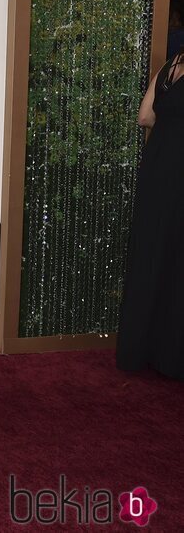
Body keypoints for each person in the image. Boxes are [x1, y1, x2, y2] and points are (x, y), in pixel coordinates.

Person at [116, 51, 184, 381]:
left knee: (151, 254)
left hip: (157, 166)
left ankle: (138, 349)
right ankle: (170, 355)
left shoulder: (170, 65)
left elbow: (144, 116)